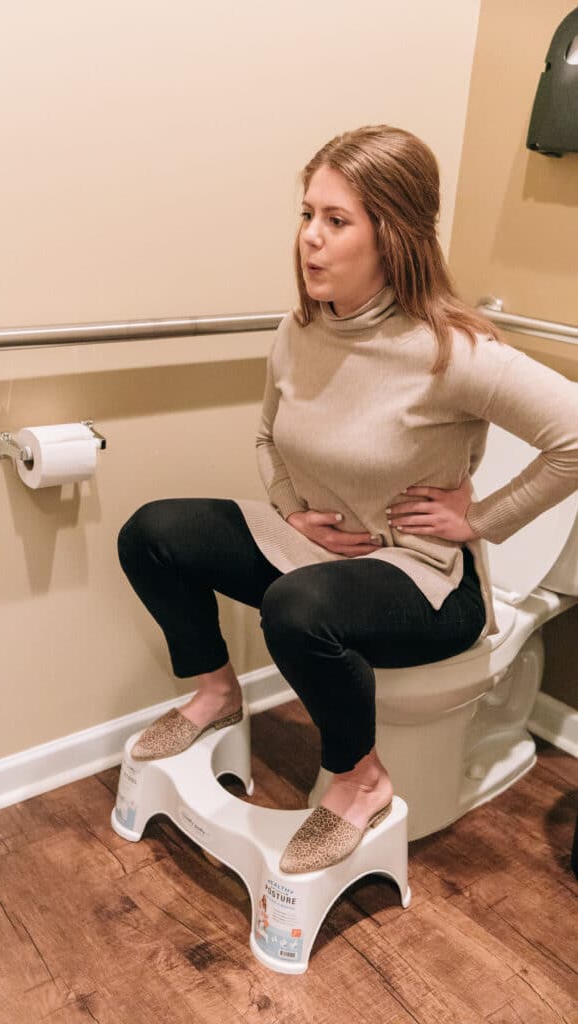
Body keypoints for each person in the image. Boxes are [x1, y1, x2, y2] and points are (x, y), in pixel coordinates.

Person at [117, 125, 578, 875]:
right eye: (307, 215)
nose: (310, 239)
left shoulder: (450, 351)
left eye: (336, 221)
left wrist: (479, 521)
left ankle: (359, 778)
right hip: (320, 552)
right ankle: (214, 692)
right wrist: (290, 509)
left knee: (297, 610)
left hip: (426, 580)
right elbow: (267, 436)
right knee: (152, 532)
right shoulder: (299, 329)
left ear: (391, 233)